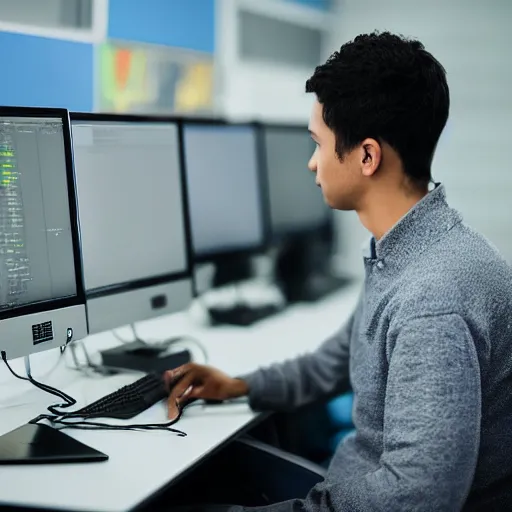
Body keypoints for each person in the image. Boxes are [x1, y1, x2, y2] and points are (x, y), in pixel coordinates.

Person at [165, 31, 512, 511]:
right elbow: (337, 361)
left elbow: (418, 498)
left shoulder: (432, 297)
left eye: (319, 144)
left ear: (367, 156)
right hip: (350, 484)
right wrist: (241, 385)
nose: (312, 164)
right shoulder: (410, 248)